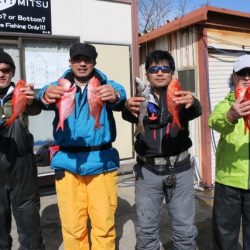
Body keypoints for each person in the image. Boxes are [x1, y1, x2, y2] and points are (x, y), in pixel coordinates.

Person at [37, 42, 126, 250]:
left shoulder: (105, 84)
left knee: (104, 226)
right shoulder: (60, 85)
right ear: (70, 62)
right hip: (67, 164)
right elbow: (43, 95)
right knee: (72, 228)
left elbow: (120, 94)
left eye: (87, 60)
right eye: (77, 59)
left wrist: (117, 95)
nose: (82, 63)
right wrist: (43, 94)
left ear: (94, 62)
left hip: (101, 163)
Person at [122, 50, 202, 250]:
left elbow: (196, 109)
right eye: (154, 69)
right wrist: (126, 106)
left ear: (172, 73)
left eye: (165, 68)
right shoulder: (141, 97)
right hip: (147, 171)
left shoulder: (180, 94)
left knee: (184, 231)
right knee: (146, 232)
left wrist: (193, 102)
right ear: (147, 73)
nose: (159, 73)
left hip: (180, 170)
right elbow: (128, 114)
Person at [0, 48, 45, 249]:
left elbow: (36, 108)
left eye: (6, 69)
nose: (1, 73)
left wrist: (31, 99)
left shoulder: (21, 92)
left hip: (22, 168)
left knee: (29, 226)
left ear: (12, 72)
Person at [208, 54, 250, 250]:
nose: (248, 77)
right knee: (225, 234)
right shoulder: (228, 101)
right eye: (243, 74)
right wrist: (230, 115)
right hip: (228, 180)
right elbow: (214, 121)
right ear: (234, 77)